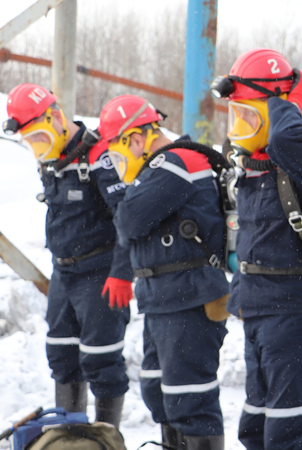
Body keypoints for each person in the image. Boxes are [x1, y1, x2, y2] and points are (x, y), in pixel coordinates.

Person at [210, 48, 302, 450]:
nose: (241, 126)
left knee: (289, 432)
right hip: (258, 311)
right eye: (237, 115)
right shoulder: (253, 167)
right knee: (256, 429)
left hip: (294, 314)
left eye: (251, 114)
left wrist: (286, 98)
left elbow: (284, 136)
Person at [98, 95, 231, 450]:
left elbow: (129, 219)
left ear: (137, 139)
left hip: (190, 296)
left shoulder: (174, 163)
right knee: (160, 393)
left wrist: (127, 199)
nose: (117, 163)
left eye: (117, 153)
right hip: (165, 298)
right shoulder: (161, 167)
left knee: (190, 400)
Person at [3, 83, 131, 427]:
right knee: (61, 355)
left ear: (56, 116)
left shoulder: (99, 156)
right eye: (31, 143)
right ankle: (72, 438)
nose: (38, 149)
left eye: (41, 138)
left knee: (101, 360)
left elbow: (128, 218)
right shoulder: (52, 160)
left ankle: (107, 439)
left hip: (100, 272)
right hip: (64, 273)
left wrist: (122, 272)